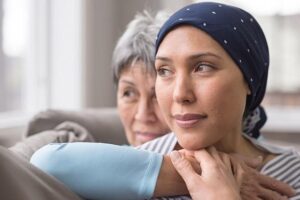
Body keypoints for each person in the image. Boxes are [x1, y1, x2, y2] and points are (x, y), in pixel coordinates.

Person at [30, 6, 297, 200]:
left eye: (202, 67)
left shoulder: (291, 175)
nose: (180, 94)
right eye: (164, 71)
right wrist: (187, 175)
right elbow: (45, 164)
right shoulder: (137, 163)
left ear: (249, 79)